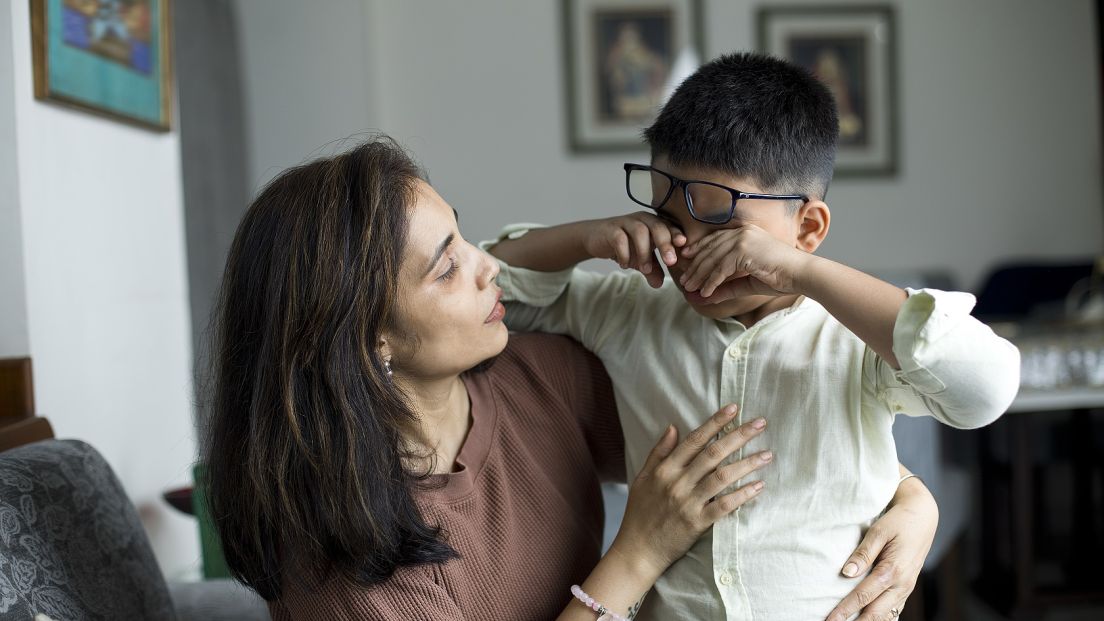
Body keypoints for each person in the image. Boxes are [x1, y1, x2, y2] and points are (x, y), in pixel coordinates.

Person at [202, 136, 939, 620]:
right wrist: (640, 549)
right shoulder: (343, 561)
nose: (490, 264)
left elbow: (746, 436)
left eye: (461, 233)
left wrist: (911, 498)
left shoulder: (532, 376)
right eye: (448, 264)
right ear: (370, 338)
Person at [487, 52, 1020, 620]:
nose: (687, 251)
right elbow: (491, 287)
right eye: (670, 222)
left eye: (722, 226)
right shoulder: (627, 309)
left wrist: (801, 273)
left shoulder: (854, 337)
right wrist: (587, 239)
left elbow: (984, 389)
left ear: (807, 229)